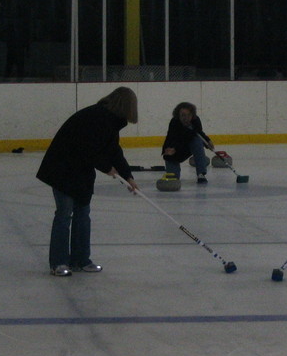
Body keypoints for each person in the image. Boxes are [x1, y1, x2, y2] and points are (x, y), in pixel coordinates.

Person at [36, 87, 140, 276]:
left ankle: (80, 260)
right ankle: (58, 262)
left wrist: (128, 176)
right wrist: (106, 168)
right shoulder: (97, 117)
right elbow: (85, 147)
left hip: (81, 171)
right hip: (62, 169)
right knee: (64, 213)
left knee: (83, 213)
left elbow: (113, 150)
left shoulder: (110, 121)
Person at [161, 102, 214, 184]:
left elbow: (198, 133)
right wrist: (172, 150)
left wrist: (208, 142)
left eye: (189, 115)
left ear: (192, 115)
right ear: (178, 115)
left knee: (197, 141)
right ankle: (202, 159)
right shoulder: (174, 123)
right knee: (173, 178)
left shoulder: (196, 121)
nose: (186, 118)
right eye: (183, 115)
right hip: (175, 148)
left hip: (188, 147)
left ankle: (201, 173)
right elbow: (171, 139)